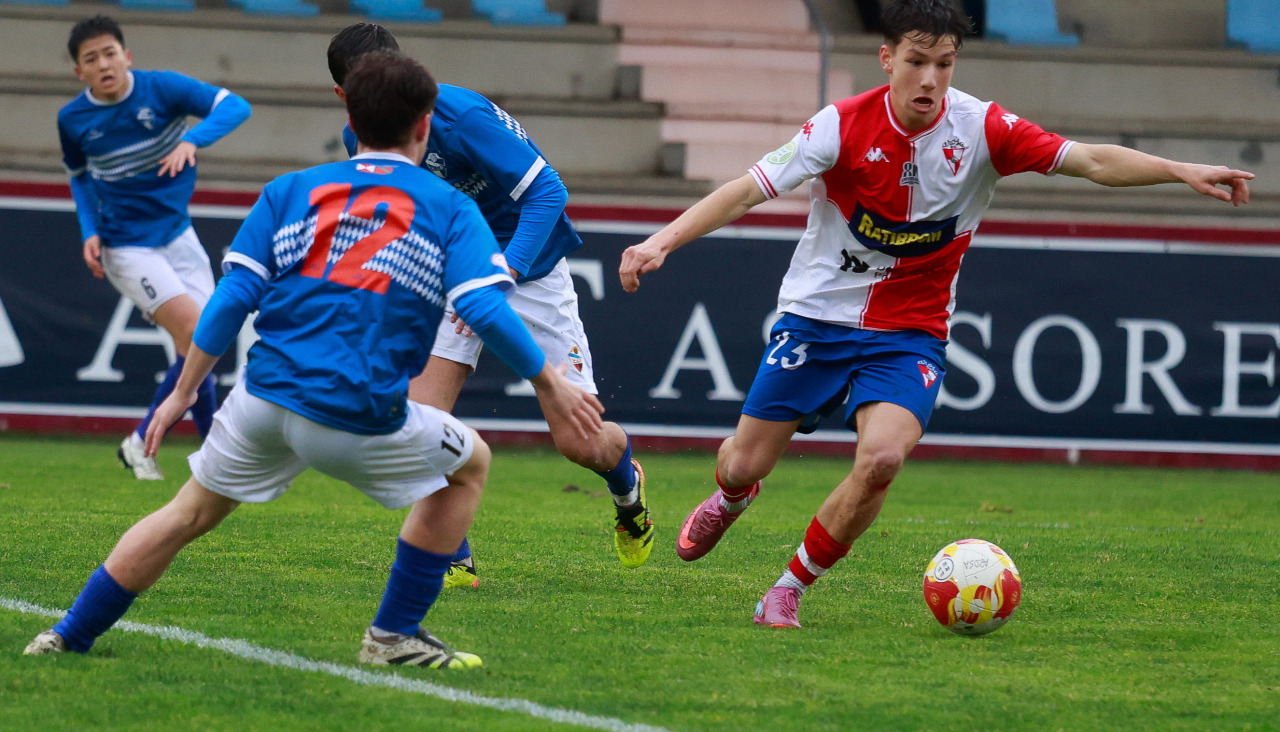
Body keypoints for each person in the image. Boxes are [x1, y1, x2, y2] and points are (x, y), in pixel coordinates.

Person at [618, 0, 1252, 628]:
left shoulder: (984, 129)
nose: (929, 79)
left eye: (943, 64)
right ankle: (733, 496)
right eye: (916, 61)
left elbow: (1088, 160)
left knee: (883, 461)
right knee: (744, 462)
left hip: (910, 333)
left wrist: (1179, 169)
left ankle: (788, 588)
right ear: (887, 58)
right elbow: (746, 189)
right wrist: (660, 241)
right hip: (817, 318)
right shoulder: (838, 127)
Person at [24, 51, 603, 668]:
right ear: (425, 127)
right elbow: (484, 311)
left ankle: (66, 635)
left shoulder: (290, 190)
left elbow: (231, 300)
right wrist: (551, 382)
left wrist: (184, 390)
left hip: (262, 399)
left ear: (348, 115)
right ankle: (393, 635)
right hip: (356, 410)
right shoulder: (449, 206)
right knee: (469, 465)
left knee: (186, 513)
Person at [325, 24, 654, 584]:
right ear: (344, 97)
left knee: (580, 442)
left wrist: (504, 271)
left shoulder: (462, 117)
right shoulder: (362, 139)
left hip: (530, 271)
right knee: (419, 422)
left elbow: (548, 192)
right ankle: (451, 556)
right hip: (452, 277)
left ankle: (627, 487)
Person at [58, 15, 252, 481]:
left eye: (109, 53)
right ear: (79, 72)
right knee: (200, 334)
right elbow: (81, 178)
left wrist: (192, 137)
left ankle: (180, 452)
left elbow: (236, 107)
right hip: (126, 247)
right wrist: (89, 229)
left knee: (204, 345)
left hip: (178, 235)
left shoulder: (162, 89)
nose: (103, 64)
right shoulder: (73, 119)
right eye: (91, 59)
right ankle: (192, 450)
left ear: (127, 56)